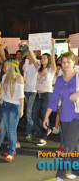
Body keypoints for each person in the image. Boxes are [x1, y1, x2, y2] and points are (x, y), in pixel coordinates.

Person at [43, 52, 79, 181]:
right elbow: (53, 100)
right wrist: (47, 116)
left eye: (68, 62)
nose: (66, 65)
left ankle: (60, 175)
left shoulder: (78, 76)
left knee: (68, 145)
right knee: (73, 145)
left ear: (73, 63)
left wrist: (78, 93)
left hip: (77, 116)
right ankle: (77, 171)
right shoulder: (59, 79)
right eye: (63, 62)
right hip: (64, 116)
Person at [29, 40, 56, 146]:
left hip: (47, 95)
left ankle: (44, 136)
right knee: (34, 116)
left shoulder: (51, 70)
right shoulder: (38, 68)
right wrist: (29, 46)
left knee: (45, 116)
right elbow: (32, 56)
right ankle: (46, 129)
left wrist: (53, 45)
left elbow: (53, 58)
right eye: (41, 58)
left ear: (48, 60)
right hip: (38, 95)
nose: (42, 59)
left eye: (44, 58)